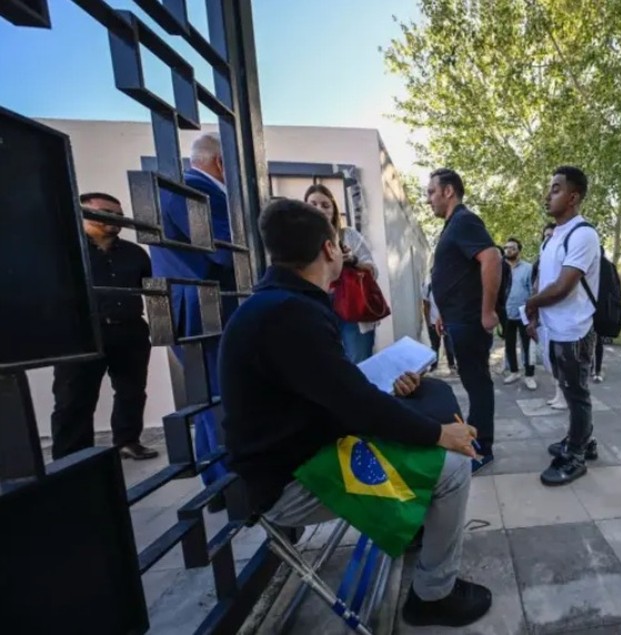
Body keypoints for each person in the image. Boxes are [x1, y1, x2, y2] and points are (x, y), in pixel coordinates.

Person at [218, 198, 492, 628]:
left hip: (304, 450)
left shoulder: (279, 305)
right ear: (330, 250)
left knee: (424, 402)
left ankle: (414, 530)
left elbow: (334, 390)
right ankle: (433, 596)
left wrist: (392, 385)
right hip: (292, 480)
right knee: (455, 465)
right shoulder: (292, 314)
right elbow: (355, 404)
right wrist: (440, 436)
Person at [151, 133, 234, 506]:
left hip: (194, 310)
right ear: (220, 162)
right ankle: (230, 488)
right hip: (204, 310)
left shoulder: (182, 188)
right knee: (218, 397)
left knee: (207, 398)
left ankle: (215, 484)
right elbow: (225, 250)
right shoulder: (194, 190)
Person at [50, 192, 158, 461]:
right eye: (105, 213)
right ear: (83, 213)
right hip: (82, 334)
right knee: (74, 397)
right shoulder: (65, 252)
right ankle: (73, 457)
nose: (114, 219)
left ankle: (127, 441)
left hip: (129, 329)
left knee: (131, 391)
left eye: (118, 214)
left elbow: (153, 290)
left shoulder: (135, 254)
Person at [525, 166, 601, 486]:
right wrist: (536, 318)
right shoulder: (552, 237)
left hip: (574, 331)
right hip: (553, 329)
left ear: (573, 196)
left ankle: (577, 455)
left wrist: (531, 306)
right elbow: (543, 280)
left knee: (577, 393)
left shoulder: (583, 234)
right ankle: (580, 437)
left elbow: (563, 286)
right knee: (570, 391)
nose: (548, 194)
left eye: (555, 189)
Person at [427, 168, 501, 473]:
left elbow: (492, 257)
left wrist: (487, 311)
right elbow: (457, 274)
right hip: (457, 318)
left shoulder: (464, 220)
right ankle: (477, 440)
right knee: (473, 384)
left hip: (470, 321)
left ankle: (482, 448)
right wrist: (443, 311)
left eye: (431, 191)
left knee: (478, 384)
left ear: (448, 191)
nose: (428, 198)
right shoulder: (453, 225)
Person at [304, 184, 379, 363]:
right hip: (316, 307)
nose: (319, 209)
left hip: (352, 306)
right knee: (325, 364)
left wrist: (352, 260)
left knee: (359, 363)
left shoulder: (348, 235)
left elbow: (373, 270)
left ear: (334, 209)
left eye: (325, 205)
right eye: (313, 204)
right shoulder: (300, 241)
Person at [533, 223, 565, 408]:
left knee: (561, 358)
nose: (548, 239)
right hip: (545, 315)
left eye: (552, 236)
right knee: (549, 357)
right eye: (545, 236)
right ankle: (557, 392)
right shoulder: (541, 262)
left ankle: (563, 395)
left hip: (559, 316)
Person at [502, 238, 536, 390]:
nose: (508, 250)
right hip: (506, 313)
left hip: (524, 313)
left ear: (519, 251)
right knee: (509, 344)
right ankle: (514, 371)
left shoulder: (528, 268)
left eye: (512, 248)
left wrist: (532, 312)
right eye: (506, 247)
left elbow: (532, 290)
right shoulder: (500, 268)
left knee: (527, 345)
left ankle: (529, 375)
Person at [422, 277, 456, 372]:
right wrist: (428, 322)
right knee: (435, 345)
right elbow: (426, 305)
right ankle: (434, 366)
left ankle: (451, 365)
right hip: (433, 321)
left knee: (449, 344)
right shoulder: (428, 287)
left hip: (447, 321)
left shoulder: (448, 286)